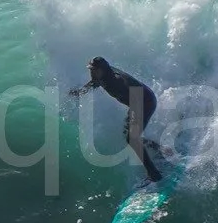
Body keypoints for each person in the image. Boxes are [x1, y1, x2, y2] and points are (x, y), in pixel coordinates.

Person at [68, 56, 167, 184]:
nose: (92, 72)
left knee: (132, 138)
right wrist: (79, 92)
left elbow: (136, 96)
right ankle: (159, 149)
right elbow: (94, 83)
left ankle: (154, 174)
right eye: (90, 69)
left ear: (102, 70)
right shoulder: (101, 75)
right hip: (136, 103)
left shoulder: (118, 82)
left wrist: (134, 115)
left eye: (94, 70)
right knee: (128, 134)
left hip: (145, 102)